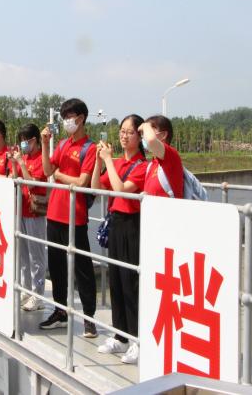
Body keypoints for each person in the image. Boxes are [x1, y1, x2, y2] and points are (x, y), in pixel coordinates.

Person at [38, 98, 98, 338]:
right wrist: (45, 145)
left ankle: (89, 319)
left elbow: (82, 182)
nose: (66, 122)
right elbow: (47, 171)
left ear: (81, 118)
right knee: (57, 267)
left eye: (69, 117)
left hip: (76, 216)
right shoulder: (62, 144)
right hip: (54, 213)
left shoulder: (89, 148)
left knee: (82, 269)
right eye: (64, 118)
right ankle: (60, 312)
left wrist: (61, 176)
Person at [91, 114, 147, 364]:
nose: (124, 136)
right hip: (115, 223)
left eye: (130, 132)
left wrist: (108, 162)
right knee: (115, 280)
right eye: (122, 131)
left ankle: (136, 339)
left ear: (140, 136)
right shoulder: (116, 163)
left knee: (130, 282)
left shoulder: (142, 166)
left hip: (132, 225)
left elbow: (121, 189)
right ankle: (120, 335)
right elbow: (96, 187)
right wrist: (98, 163)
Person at [7, 124, 47, 311]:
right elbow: (17, 180)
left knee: (36, 256)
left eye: (25, 140)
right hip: (20, 210)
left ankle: (38, 295)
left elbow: (31, 184)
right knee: (23, 255)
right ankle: (27, 289)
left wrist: (21, 164)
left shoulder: (40, 159)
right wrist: (15, 164)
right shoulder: (24, 157)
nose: (23, 144)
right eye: (21, 140)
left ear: (34, 140)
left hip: (34, 212)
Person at [138, 115, 184, 198]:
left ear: (163, 135)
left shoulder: (171, 155)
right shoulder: (152, 164)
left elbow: (151, 140)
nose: (144, 136)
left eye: (149, 130)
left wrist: (145, 125)